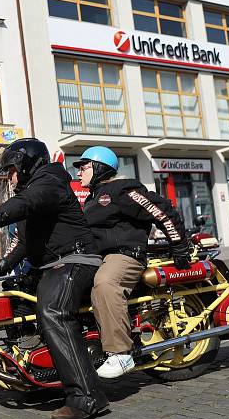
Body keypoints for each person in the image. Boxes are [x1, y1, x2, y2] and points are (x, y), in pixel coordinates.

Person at [0, 138, 109, 419]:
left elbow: (25, 202)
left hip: (75, 260)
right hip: (53, 263)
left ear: (26, 164)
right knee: (14, 295)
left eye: (11, 169)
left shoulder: (49, 180)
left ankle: (87, 397)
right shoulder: (35, 189)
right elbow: (26, 243)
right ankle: (39, 369)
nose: (9, 176)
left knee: (52, 311)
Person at [75, 146, 191, 379]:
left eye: (83, 167)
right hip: (99, 257)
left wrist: (179, 245)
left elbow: (162, 211)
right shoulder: (93, 198)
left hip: (125, 254)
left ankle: (120, 353)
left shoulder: (121, 190)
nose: (78, 173)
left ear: (99, 168)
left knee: (106, 284)